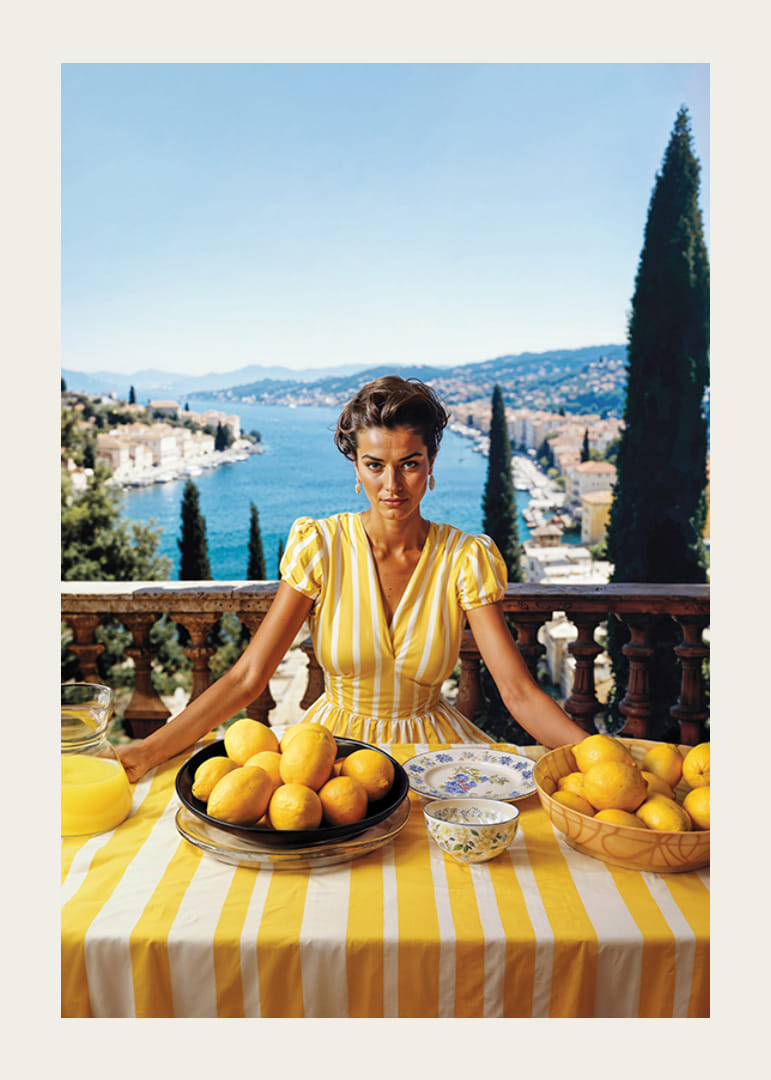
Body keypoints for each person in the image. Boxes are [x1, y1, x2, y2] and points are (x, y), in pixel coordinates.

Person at [117, 376, 586, 783]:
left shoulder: (465, 558)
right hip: (329, 755)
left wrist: (601, 756)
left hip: (433, 755)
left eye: (410, 463)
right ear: (356, 466)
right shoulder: (320, 547)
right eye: (375, 465)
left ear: (431, 461)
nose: (392, 486)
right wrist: (145, 752)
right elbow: (247, 677)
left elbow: (519, 692)